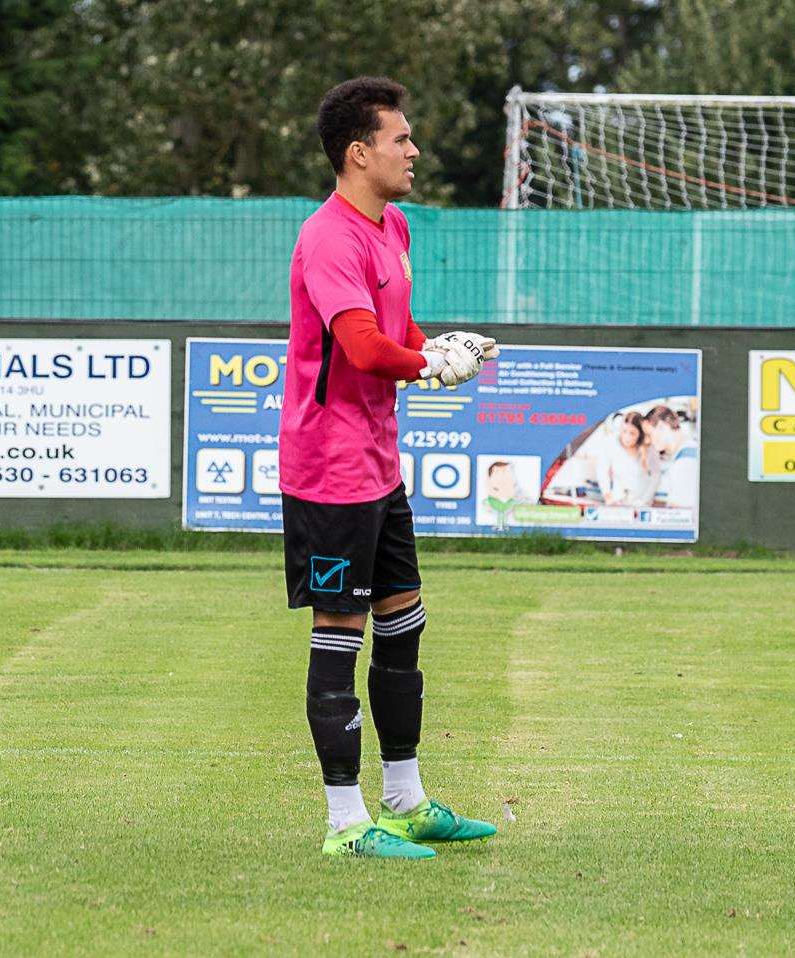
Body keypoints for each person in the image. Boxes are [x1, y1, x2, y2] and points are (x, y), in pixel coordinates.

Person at [279, 77, 498, 859]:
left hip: (377, 463)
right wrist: (430, 367)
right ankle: (346, 824)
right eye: (400, 138)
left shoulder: (393, 224)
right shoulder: (329, 237)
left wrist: (438, 346)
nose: (414, 149)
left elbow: (397, 332)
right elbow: (365, 349)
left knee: (403, 617)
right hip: (329, 466)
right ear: (357, 152)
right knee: (340, 631)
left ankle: (404, 801)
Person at [596, 410, 659, 506]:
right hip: (617, 501)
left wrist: (644, 501)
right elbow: (602, 471)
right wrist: (607, 495)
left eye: (632, 433)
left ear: (640, 435)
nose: (627, 437)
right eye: (624, 431)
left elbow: (655, 477)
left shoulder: (650, 448)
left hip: (642, 502)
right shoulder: (611, 443)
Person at [644, 404, 699, 509]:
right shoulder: (690, 448)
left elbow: (680, 513)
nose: (649, 440)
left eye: (650, 434)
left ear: (661, 426)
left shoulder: (684, 463)